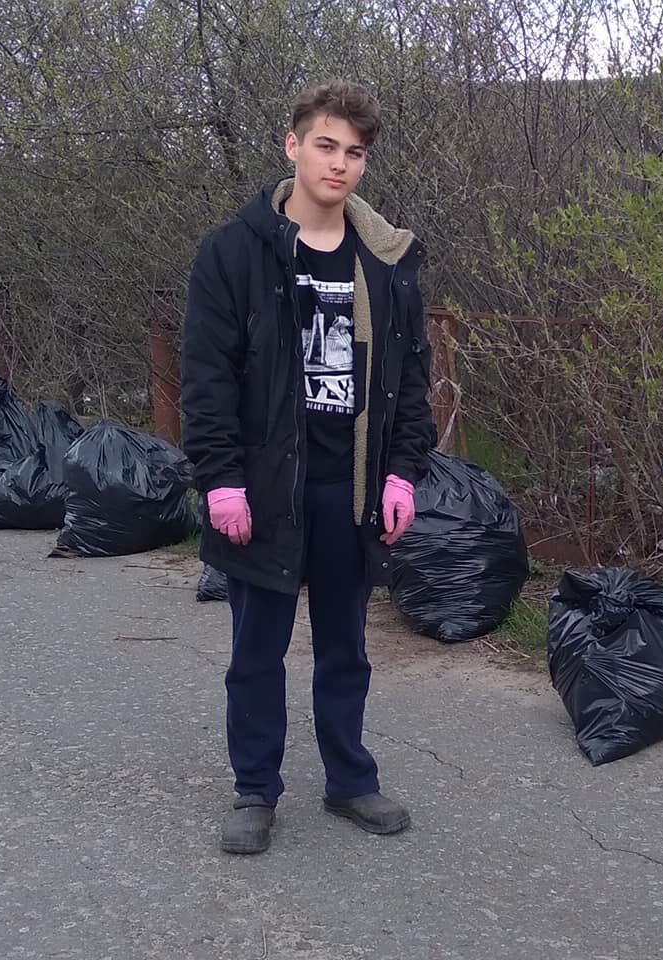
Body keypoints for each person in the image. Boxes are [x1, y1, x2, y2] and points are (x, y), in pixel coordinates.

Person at [181, 79, 434, 854]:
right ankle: (255, 790)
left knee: (344, 647)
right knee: (256, 651)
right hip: (264, 488)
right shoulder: (234, 252)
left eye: (353, 152)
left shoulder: (384, 260)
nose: (339, 163)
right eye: (325, 145)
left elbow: (411, 379)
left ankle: (349, 780)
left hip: (348, 488)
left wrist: (402, 473)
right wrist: (221, 479)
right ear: (292, 146)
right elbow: (207, 378)